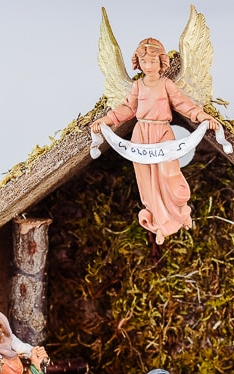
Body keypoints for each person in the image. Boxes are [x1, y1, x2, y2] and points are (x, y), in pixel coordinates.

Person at [90, 37, 220, 247]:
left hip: (162, 134)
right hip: (141, 136)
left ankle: (181, 212)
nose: (148, 66)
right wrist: (106, 120)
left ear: (161, 63)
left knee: (170, 175)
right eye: (144, 62)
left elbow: (182, 104)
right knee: (148, 183)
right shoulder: (138, 86)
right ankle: (160, 224)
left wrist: (201, 115)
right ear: (138, 64)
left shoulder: (166, 84)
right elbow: (127, 108)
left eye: (153, 61)